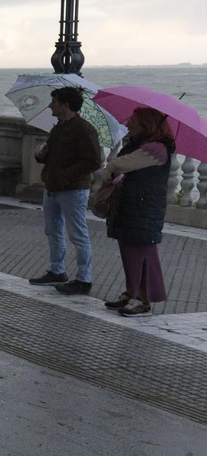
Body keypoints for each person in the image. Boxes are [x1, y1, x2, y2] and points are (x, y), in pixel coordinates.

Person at [96, 107, 175, 317]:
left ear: (146, 124)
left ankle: (144, 299)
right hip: (131, 205)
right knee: (129, 250)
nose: (129, 123)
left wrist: (111, 172)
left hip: (144, 207)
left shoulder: (156, 148)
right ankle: (132, 292)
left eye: (134, 120)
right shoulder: (138, 145)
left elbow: (119, 164)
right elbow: (119, 167)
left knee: (142, 252)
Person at [29, 86, 102, 295]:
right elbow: (51, 153)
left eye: (54, 102)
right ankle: (56, 270)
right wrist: (41, 155)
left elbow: (93, 161)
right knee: (52, 230)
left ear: (65, 105)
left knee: (78, 235)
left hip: (73, 190)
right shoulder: (59, 127)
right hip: (52, 187)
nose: (50, 105)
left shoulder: (84, 129)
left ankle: (83, 279)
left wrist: (65, 175)